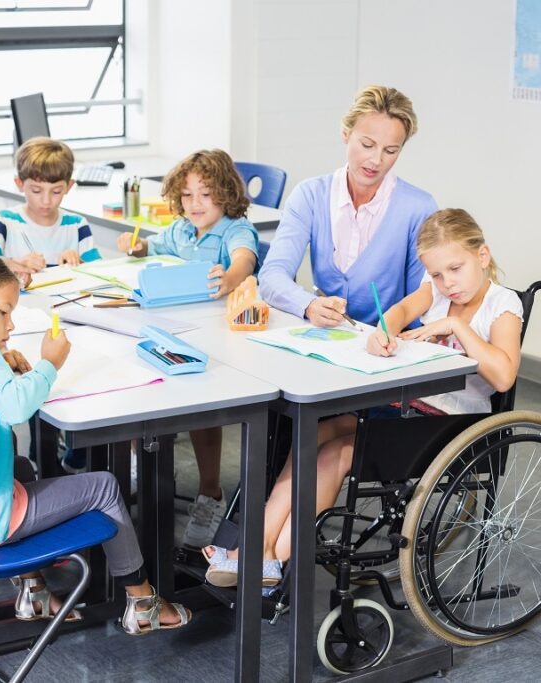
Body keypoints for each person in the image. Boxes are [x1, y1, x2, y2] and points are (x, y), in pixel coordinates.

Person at [204, 208, 523, 586]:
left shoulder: (501, 306)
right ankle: (260, 551)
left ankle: (267, 555)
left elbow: (503, 377)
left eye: (455, 269)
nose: (446, 283)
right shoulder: (437, 291)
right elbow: (404, 308)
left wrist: (455, 325)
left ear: (481, 256)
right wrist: (384, 331)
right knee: (314, 432)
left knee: (336, 454)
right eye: (436, 274)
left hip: (448, 425)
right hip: (407, 406)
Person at [0, 249, 190, 634]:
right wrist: (49, 363)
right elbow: (16, 408)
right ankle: (143, 602)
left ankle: (35, 591)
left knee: (22, 467)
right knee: (105, 487)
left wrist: (3, 365)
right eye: (3, 312)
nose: (10, 324)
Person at [117, 149, 260, 549]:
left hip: (218, 341)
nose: (194, 204)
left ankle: (210, 492)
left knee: (203, 414)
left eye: (205, 195)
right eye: (187, 195)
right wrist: (141, 251)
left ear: (227, 195)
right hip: (175, 331)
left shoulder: (234, 230)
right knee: (138, 383)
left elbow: (244, 260)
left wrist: (230, 277)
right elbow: (155, 247)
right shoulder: (179, 230)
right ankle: (139, 470)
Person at [258, 84, 437, 327]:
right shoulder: (309, 196)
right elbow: (272, 275)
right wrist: (308, 304)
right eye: (367, 144)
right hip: (325, 340)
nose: (376, 160)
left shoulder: (418, 208)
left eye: (391, 150)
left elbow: (425, 297)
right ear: (345, 133)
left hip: (389, 347)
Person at [0, 136, 101, 273]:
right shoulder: (4, 221)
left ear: (69, 186)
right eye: (36, 191)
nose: (46, 201)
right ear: (19, 184)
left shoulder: (77, 224)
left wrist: (79, 262)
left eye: (56, 191)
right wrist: (15, 263)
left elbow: (99, 271)